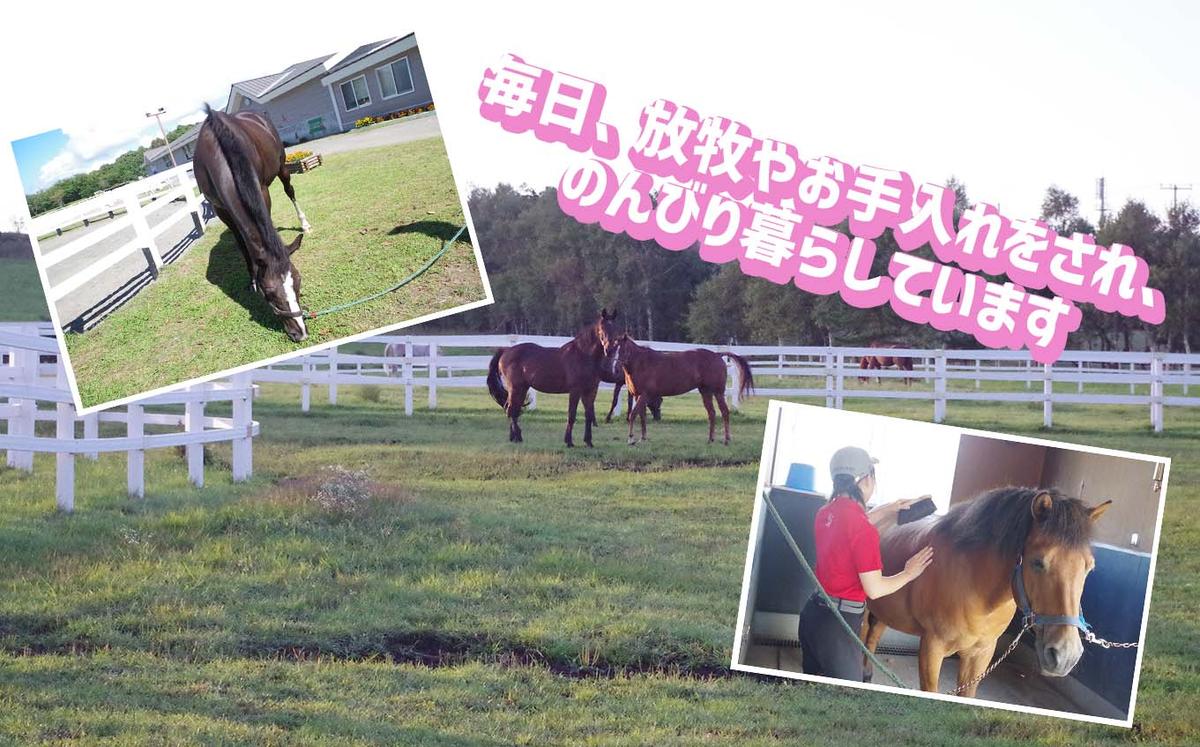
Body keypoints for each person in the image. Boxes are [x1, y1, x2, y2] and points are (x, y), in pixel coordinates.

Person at [798, 445, 934, 681]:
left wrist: (888, 509)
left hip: (812, 615)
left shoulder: (825, 512)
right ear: (866, 480)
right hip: (838, 626)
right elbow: (875, 588)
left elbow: (852, 525)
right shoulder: (862, 529)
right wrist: (909, 573)